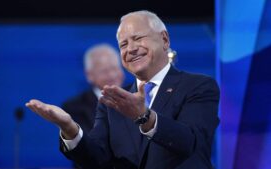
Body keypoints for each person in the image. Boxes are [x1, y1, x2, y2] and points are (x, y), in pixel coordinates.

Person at [26, 10, 220, 169]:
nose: (131, 49)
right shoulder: (113, 102)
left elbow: (190, 142)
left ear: (164, 39)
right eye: (123, 44)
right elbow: (96, 159)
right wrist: (70, 129)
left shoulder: (199, 86)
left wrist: (145, 117)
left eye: (138, 38)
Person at [62, 44, 124, 133]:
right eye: (104, 71)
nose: (112, 75)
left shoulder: (136, 97)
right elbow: (85, 143)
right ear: (89, 75)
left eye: (115, 68)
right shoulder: (74, 108)